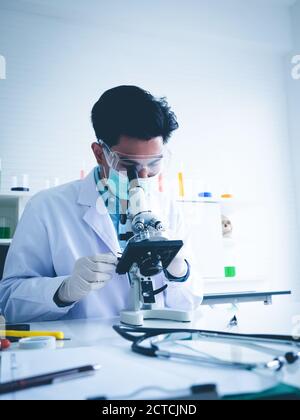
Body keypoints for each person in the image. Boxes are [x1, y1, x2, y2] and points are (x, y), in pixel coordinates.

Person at [0, 86, 202, 323]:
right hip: (83, 348)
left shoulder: (167, 208)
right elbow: (10, 302)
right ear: (99, 153)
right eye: (129, 165)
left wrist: (180, 271)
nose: (143, 175)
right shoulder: (47, 208)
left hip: (153, 343)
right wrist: (64, 290)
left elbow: (190, 302)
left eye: (154, 163)